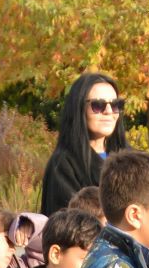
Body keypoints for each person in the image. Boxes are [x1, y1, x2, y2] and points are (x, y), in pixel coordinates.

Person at [40, 72, 128, 215]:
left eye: (116, 105)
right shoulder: (63, 165)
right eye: (98, 105)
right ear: (79, 108)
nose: (109, 111)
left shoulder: (131, 159)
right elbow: (69, 223)